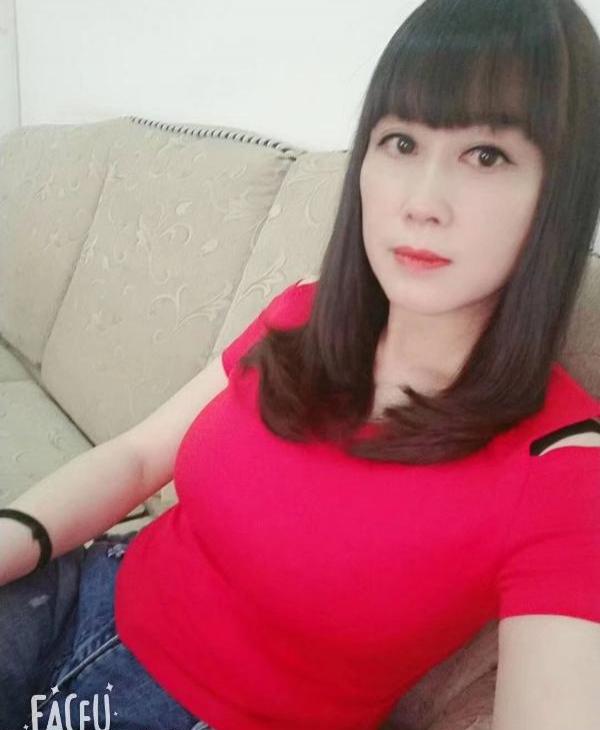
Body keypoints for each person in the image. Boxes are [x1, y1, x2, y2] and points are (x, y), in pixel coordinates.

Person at [2, 0, 600, 729]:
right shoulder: (304, 312)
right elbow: (136, 457)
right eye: (401, 142)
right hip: (79, 595)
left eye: (486, 156)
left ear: (560, 194)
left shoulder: (564, 466)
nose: (422, 202)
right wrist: (17, 535)